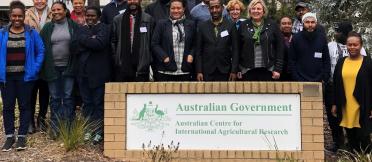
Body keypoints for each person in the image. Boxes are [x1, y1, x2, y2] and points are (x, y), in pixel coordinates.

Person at [0, 1, 44, 151]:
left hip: (25, 77)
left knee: (25, 107)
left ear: (24, 16)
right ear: (10, 16)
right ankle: (10, 136)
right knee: (8, 107)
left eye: (20, 16)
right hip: (7, 78)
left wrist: (34, 69)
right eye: (14, 15)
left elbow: (41, 51)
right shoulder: (2, 33)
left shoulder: (31, 33)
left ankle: (22, 137)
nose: (17, 18)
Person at [40, 1, 80, 138]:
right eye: (53, 10)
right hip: (52, 68)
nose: (56, 12)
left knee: (68, 97)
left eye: (58, 9)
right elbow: (41, 48)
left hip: (69, 67)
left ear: (65, 11)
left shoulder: (73, 26)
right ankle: (56, 129)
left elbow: (79, 45)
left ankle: (68, 128)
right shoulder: (47, 28)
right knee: (55, 98)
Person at [332, 32, 372, 152]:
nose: (352, 47)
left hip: (362, 105)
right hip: (346, 104)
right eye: (350, 45)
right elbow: (336, 84)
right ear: (346, 45)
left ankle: (365, 157)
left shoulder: (368, 63)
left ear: (361, 45)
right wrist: (334, 103)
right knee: (350, 134)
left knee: (364, 137)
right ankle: (353, 157)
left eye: (355, 44)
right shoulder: (341, 62)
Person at [77, 6, 111, 144]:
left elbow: (100, 43)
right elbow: (74, 46)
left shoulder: (105, 28)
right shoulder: (80, 29)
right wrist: (90, 39)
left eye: (93, 16)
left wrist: (84, 40)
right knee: (87, 103)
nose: (90, 18)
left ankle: (98, 132)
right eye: (88, 15)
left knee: (98, 104)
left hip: (99, 74)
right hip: (83, 74)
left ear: (98, 16)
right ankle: (88, 130)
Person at [24, 0, 52, 133]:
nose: (39, 1)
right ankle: (30, 121)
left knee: (45, 91)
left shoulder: (53, 13)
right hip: (32, 58)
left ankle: (41, 119)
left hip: (48, 59)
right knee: (31, 91)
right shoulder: (26, 14)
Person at [238, 0, 283, 81]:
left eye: (259, 9)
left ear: (263, 11)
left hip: (269, 70)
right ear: (249, 11)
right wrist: (238, 69)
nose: (256, 11)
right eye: (253, 8)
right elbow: (237, 49)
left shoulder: (272, 25)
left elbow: (280, 48)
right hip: (246, 70)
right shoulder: (243, 25)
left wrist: (278, 69)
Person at [151, 0, 196, 81]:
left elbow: (195, 44)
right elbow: (154, 44)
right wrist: (164, 57)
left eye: (179, 8)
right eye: (173, 8)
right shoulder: (161, 24)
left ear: (184, 9)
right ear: (169, 9)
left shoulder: (191, 25)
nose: (176, 11)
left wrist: (191, 55)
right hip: (165, 71)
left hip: (185, 71)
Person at [195, 0, 238, 81]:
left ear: (222, 8)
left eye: (217, 7)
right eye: (212, 8)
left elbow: (235, 50)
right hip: (206, 71)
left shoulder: (231, 25)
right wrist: (199, 71)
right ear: (209, 9)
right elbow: (198, 51)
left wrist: (234, 70)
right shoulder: (202, 26)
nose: (214, 10)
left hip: (226, 70)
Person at [111, 0, 154, 82]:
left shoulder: (148, 19)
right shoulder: (117, 19)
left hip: (141, 66)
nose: (132, 1)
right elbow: (113, 41)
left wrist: (148, 59)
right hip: (122, 64)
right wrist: (116, 57)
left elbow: (152, 42)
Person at [288, 12, 330, 82]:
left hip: (319, 81)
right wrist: (296, 78)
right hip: (300, 81)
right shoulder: (296, 38)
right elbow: (292, 60)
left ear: (316, 23)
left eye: (312, 22)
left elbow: (326, 60)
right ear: (303, 23)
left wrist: (324, 77)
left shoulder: (322, 38)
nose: (310, 25)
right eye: (307, 22)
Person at [279, 16, 292, 81]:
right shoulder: (275, 38)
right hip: (279, 75)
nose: (287, 25)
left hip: (294, 75)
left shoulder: (297, 38)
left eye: (289, 23)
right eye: (284, 23)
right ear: (279, 25)